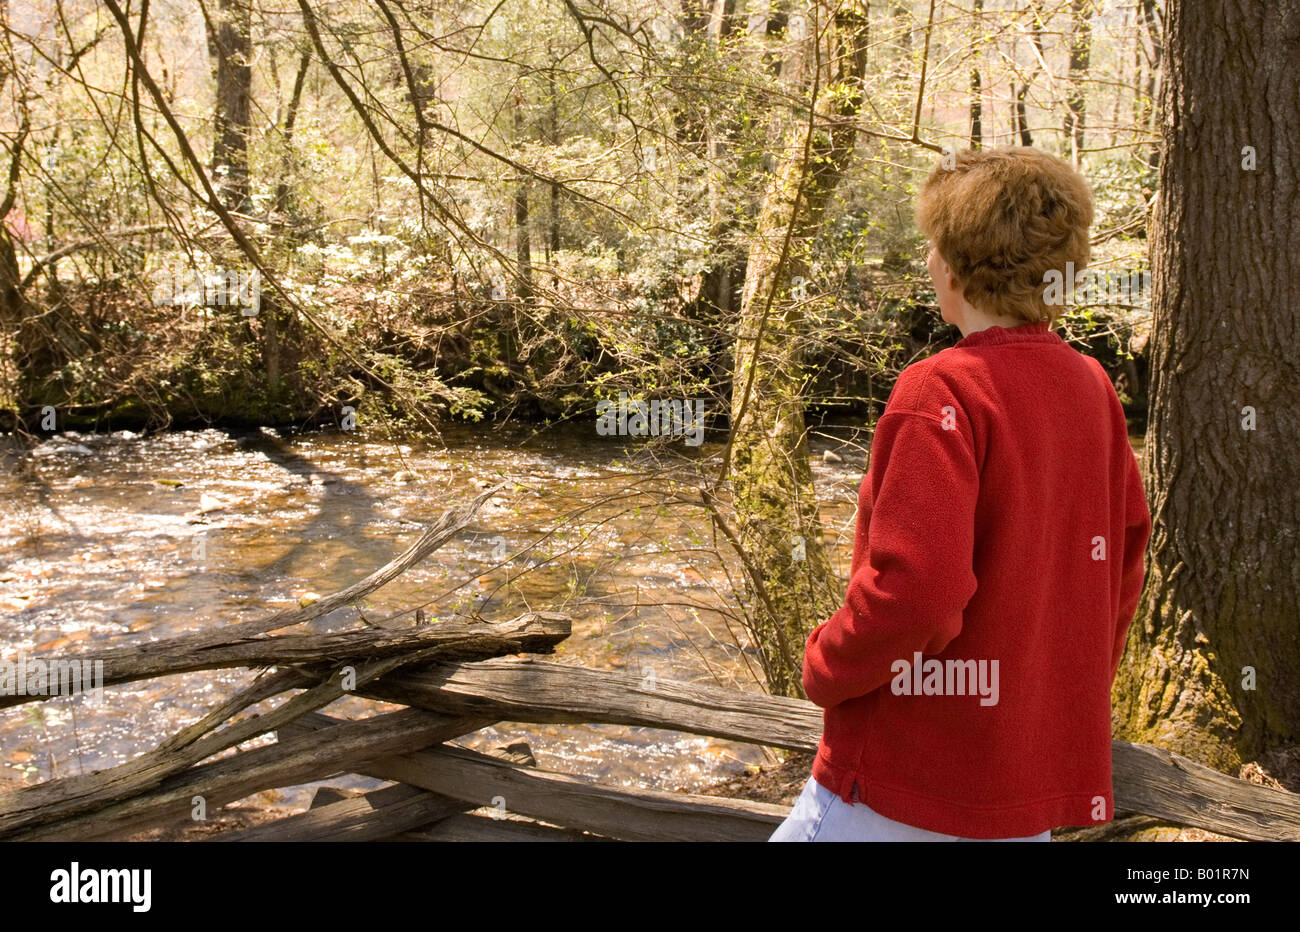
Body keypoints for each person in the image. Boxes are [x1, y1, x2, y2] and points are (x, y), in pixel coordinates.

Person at [770, 146, 1152, 842]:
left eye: (932, 246)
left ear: (954, 266)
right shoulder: (1092, 386)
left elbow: (919, 590)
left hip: (901, 783)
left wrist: (825, 664)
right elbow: (1122, 565)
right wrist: (1055, 699)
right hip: (1017, 790)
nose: (927, 262)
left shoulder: (940, 388)